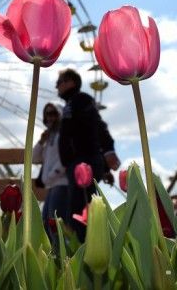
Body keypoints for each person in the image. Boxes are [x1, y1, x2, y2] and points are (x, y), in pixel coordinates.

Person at [55, 68, 120, 241]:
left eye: (60, 82)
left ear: (71, 82)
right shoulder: (71, 104)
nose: (56, 86)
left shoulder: (82, 100)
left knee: (80, 211)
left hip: (84, 161)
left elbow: (97, 126)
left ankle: (85, 249)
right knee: (78, 209)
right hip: (77, 163)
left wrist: (108, 151)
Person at [33, 102, 70, 246]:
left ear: (60, 115)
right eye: (47, 114)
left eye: (53, 113)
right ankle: (55, 254)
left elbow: (65, 160)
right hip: (52, 186)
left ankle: (61, 256)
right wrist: (41, 141)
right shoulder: (49, 138)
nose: (50, 117)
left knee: (55, 224)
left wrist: (49, 177)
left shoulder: (63, 135)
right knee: (46, 222)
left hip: (61, 184)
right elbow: (35, 158)